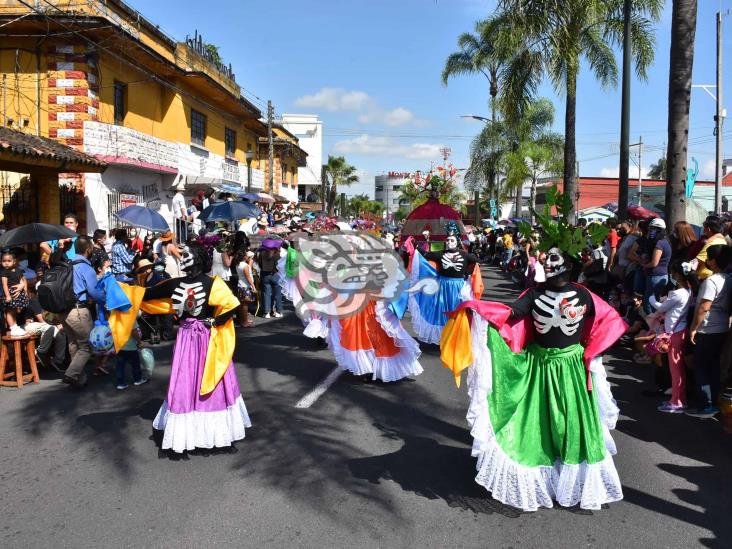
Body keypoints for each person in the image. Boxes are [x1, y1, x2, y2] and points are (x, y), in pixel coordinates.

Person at [440, 190, 625, 512]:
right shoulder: (537, 293)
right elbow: (507, 315)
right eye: (547, 260)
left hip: (570, 368)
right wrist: (475, 309)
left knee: (571, 424)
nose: (549, 265)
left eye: (554, 261)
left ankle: (571, 479)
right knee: (540, 423)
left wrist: (589, 353)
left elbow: (606, 324)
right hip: (541, 367)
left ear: (565, 265)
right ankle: (550, 475)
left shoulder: (584, 295)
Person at [111, 242, 251, 453]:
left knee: (209, 377)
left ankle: (214, 432)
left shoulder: (213, 283)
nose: (182, 257)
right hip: (186, 337)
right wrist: (113, 286)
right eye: (182, 254)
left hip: (206, 339)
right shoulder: (173, 283)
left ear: (197, 258)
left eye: (187, 254)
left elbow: (232, 305)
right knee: (185, 378)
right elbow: (145, 295)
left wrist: (215, 322)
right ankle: (188, 431)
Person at [406, 221, 478, 344]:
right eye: (448, 240)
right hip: (443, 287)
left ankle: (458, 336)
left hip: (458, 288)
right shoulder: (441, 254)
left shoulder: (465, 256)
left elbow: (477, 261)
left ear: (457, 242)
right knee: (443, 311)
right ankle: (445, 336)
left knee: (457, 311)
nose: (450, 242)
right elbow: (425, 255)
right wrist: (416, 245)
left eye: (452, 240)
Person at [687, 244, 732, 418]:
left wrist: (693, 329)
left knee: (701, 367)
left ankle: (706, 405)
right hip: (722, 327)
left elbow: (704, 307)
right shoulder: (728, 278)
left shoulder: (711, 281)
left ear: (712, 261)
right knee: (713, 366)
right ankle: (712, 402)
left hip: (708, 328)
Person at [648, 260, 694, 413]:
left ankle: (677, 402)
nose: (671, 276)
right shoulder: (689, 291)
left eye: (673, 274)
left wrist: (651, 299)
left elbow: (662, 307)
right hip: (679, 331)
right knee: (678, 369)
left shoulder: (677, 293)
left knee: (676, 371)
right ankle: (679, 399)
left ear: (678, 275)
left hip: (674, 334)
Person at [60, 236, 106, 388]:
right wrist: (107, 298)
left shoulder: (68, 264)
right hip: (79, 311)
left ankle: (79, 379)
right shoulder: (86, 268)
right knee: (87, 345)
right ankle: (71, 374)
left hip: (64, 311)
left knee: (74, 344)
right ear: (88, 249)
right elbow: (94, 293)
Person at [640, 218, 672, 314]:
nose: (650, 231)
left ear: (658, 230)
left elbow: (654, 263)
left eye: (652, 228)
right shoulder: (664, 241)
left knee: (649, 302)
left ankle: (652, 324)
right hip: (659, 275)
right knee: (654, 300)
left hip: (656, 276)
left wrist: (643, 264)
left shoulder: (659, 243)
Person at [1, 250, 29, 336]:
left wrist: (25, 292)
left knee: (15, 311)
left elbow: (23, 281)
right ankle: (12, 328)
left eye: (9, 261)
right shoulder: (4, 272)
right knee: (9, 311)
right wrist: (8, 296)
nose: (6, 263)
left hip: (19, 294)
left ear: (14, 261)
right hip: (10, 293)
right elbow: (4, 285)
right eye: (4, 261)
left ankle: (15, 326)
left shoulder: (18, 270)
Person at [115, 319, 148, 391]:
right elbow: (134, 332)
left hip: (119, 346)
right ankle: (138, 379)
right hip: (130, 346)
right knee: (135, 364)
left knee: (120, 366)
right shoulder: (130, 317)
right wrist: (139, 342)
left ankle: (121, 383)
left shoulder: (114, 317)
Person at [694, 217, 727, 281]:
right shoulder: (723, 240)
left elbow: (697, 261)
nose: (703, 231)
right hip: (716, 275)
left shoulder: (710, 243)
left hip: (704, 277)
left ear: (708, 229)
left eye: (704, 228)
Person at [258, 243, 283, 319]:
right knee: (277, 294)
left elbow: (260, 264)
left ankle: (267, 312)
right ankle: (278, 311)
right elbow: (279, 265)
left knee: (266, 293)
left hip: (265, 275)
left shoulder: (261, 254)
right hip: (275, 274)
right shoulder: (277, 254)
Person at [234, 250, 256, 328]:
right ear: (244, 257)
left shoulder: (238, 264)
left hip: (240, 285)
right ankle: (244, 322)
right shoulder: (245, 265)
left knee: (242, 304)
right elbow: (248, 277)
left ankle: (243, 320)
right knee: (245, 305)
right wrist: (253, 286)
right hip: (245, 286)